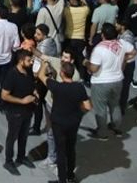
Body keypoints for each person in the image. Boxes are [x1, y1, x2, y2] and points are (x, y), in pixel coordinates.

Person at [85, 22, 135, 138]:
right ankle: (115, 127)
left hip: (101, 82)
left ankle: (102, 133)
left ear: (103, 35)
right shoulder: (122, 43)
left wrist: (86, 63)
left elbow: (94, 68)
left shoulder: (99, 48)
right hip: (117, 80)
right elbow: (134, 52)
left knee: (100, 108)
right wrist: (124, 60)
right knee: (115, 105)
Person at [47, 51, 91, 183]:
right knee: (71, 149)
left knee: (61, 152)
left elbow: (42, 77)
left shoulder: (57, 87)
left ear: (62, 73)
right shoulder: (79, 88)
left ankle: (62, 180)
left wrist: (45, 65)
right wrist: (78, 113)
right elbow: (87, 107)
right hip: (73, 122)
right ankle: (70, 175)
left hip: (58, 123)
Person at [0, 48, 38, 175]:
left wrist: (34, 92)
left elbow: (31, 84)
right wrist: (22, 101)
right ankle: (8, 161)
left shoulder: (28, 71)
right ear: (21, 61)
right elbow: (4, 95)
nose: (31, 62)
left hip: (28, 110)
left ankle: (21, 157)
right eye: (29, 60)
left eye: (31, 60)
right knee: (12, 137)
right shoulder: (12, 74)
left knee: (24, 135)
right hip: (15, 112)